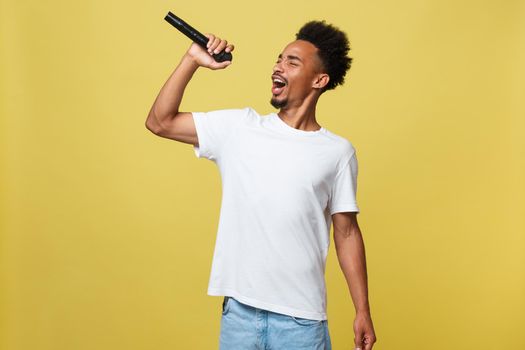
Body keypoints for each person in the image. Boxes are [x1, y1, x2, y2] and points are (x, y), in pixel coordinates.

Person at [145, 20, 377, 350]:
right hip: (239, 316)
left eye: (292, 62)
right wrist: (191, 60)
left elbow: (347, 232)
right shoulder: (239, 128)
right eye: (279, 58)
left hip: (301, 322)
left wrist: (362, 310)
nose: (278, 66)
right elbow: (160, 121)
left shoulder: (337, 152)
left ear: (319, 80)